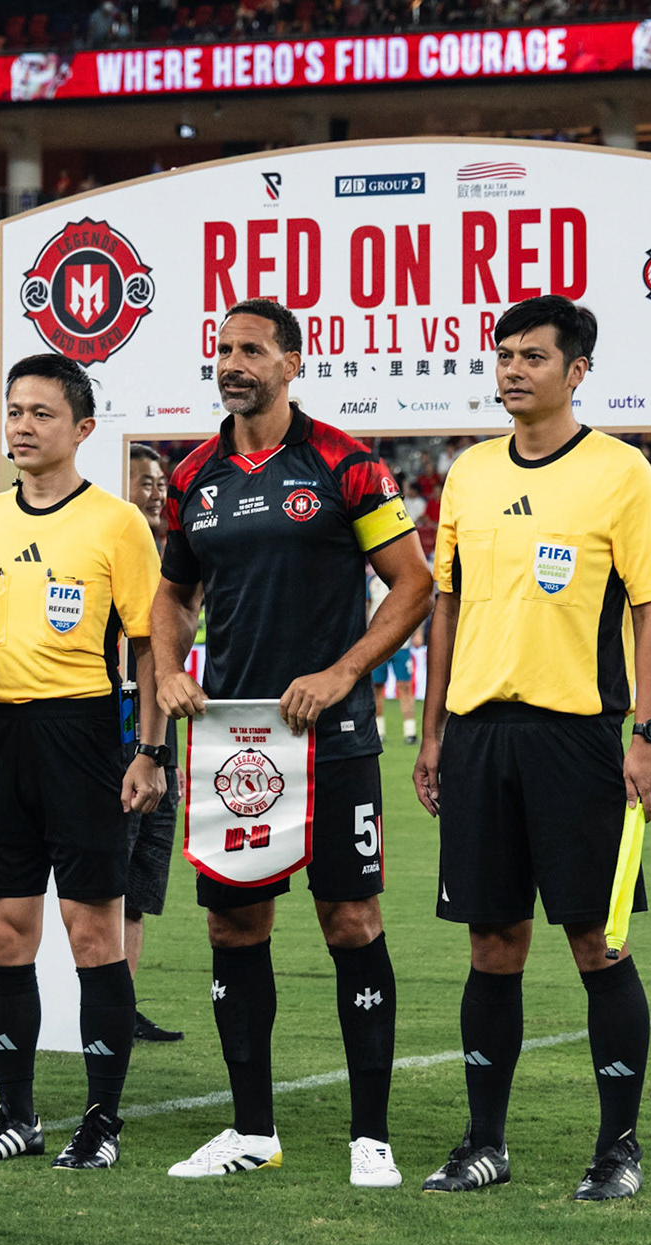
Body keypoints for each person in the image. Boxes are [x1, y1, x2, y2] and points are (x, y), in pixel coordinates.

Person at [412, 295, 651, 1201]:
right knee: (491, 943)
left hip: (578, 739)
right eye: (504, 355)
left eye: (534, 355)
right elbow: (445, 606)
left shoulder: (621, 474)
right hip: (479, 737)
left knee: (596, 943)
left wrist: (647, 733)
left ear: (578, 372)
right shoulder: (468, 474)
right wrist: (433, 728)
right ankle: (483, 1143)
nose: (513, 369)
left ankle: (619, 1150)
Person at [152, 298, 433, 1188]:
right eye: (223, 348)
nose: (233, 362)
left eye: (252, 349)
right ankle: (251, 1131)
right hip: (236, 742)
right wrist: (166, 671)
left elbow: (413, 584)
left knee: (349, 919)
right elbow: (171, 596)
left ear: (292, 362)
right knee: (235, 925)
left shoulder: (347, 466)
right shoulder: (193, 474)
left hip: (333, 736)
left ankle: (371, 1139)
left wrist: (345, 672)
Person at [0, 353, 167, 1171]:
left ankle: (101, 1121)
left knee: (92, 932)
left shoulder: (117, 524)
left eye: (41, 413)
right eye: (14, 412)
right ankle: (16, 1115)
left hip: (81, 737)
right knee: (6, 933)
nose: (23, 427)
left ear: (82, 428)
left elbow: (148, 646)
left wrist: (148, 750)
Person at [122, 441, 184, 1043]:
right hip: (121, 730)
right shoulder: (111, 545)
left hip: (159, 729)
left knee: (139, 886)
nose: (157, 490)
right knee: (108, 880)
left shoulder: (171, 553)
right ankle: (96, 1003)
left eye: (161, 482)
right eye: (145, 481)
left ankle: (123, 1004)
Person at [367, 565, 423, 745]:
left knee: (405, 686)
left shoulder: (404, 581)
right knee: (376, 687)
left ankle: (410, 731)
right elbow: (366, 610)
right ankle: (379, 731)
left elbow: (417, 607)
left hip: (402, 643)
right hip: (377, 645)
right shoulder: (371, 581)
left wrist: (418, 632)